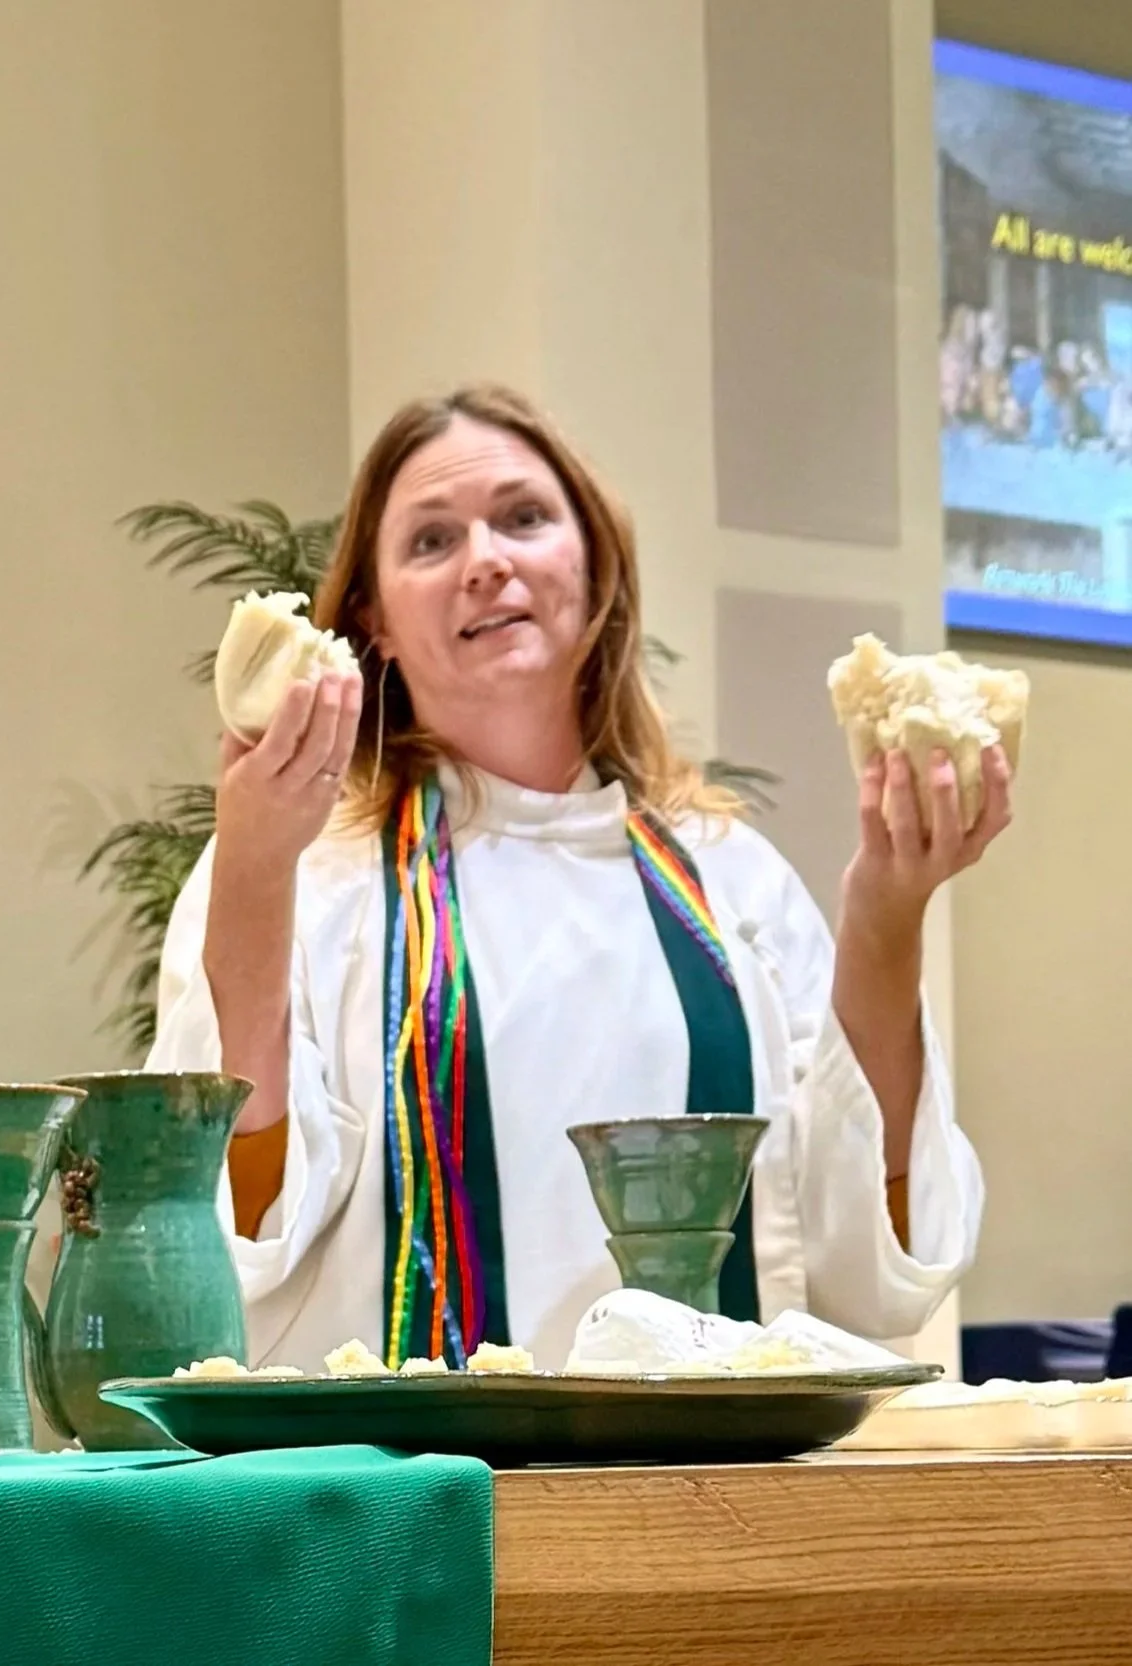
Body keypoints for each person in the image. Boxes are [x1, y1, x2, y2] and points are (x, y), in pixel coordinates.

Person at [147, 384, 995, 1372]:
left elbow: (870, 1263)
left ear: (595, 570)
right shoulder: (304, 866)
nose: (486, 561)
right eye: (431, 540)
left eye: (523, 519)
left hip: (709, 1498)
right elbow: (220, 1241)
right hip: (422, 1507)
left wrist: (886, 915)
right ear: (370, 620)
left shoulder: (729, 883)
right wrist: (252, 873)